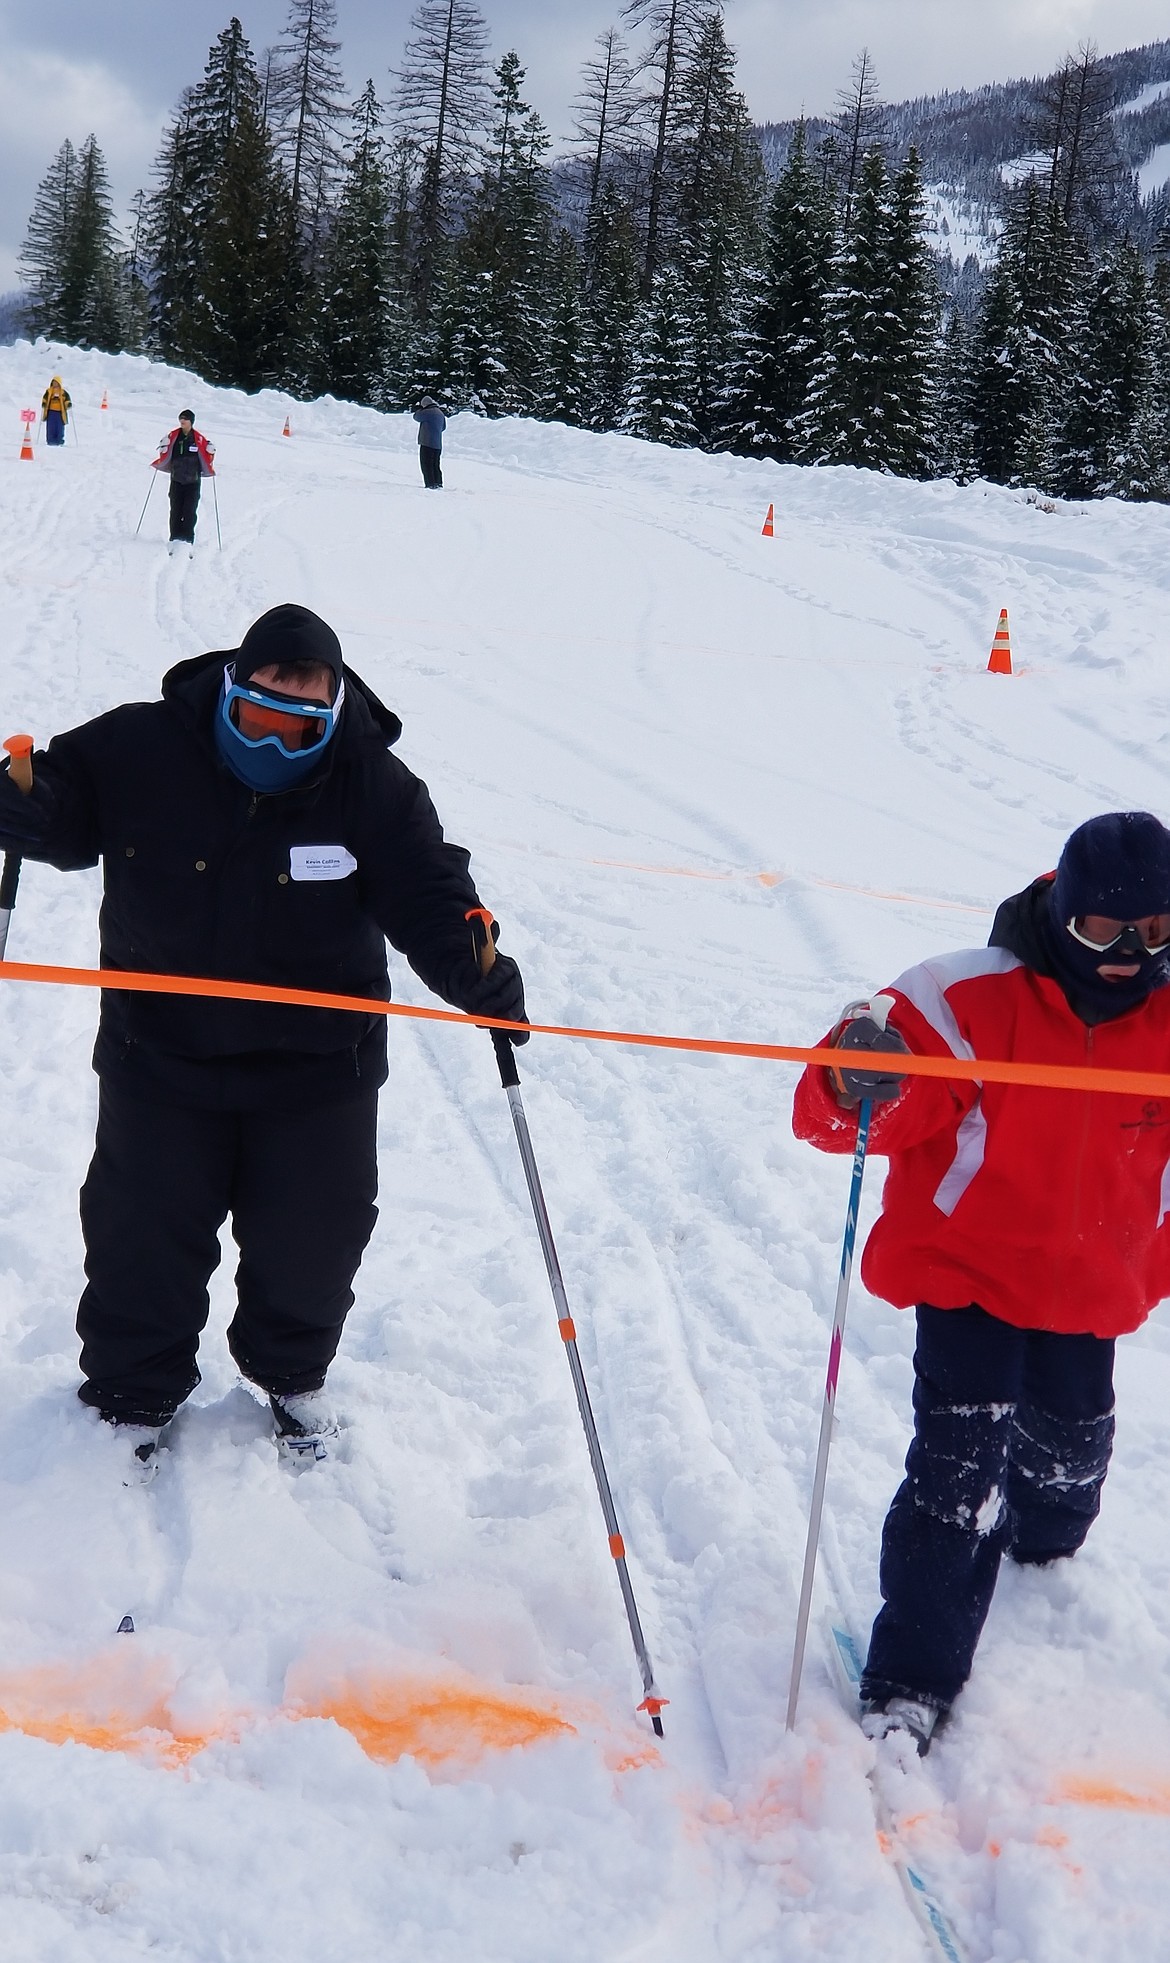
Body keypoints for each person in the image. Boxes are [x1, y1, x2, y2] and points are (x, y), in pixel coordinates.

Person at [0, 604, 527, 1478]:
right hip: (158, 1055)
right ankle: (131, 1395)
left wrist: (472, 972)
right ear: (232, 689)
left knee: (313, 1241)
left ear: (336, 704)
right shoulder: (142, 745)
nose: (281, 738)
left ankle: (290, 1376)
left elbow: (430, 892)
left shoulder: (374, 786)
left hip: (318, 1068)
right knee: (142, 1232)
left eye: (305, 716)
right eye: (263, 708)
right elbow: (64, 805)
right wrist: (26, 805)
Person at [792, 811, 1170, 1754]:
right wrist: (857, 1078)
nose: (1129, 955)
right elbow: (851, 1109)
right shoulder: (967, 996)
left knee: (1069, 1460)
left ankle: (1043, 1552)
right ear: (1062, 914)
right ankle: (911, 1678)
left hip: (1095, 1276)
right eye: (1104, 932)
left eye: (1158, 932)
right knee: (957, 1475)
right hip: (972, 1270)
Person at [153, 410, 216, 554]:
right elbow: (164, 452)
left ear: (191, 421)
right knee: (175, 510)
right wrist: (163, 447)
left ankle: (188, 538)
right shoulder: (174, 436)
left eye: (185, 419)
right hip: (177, 479)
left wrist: (211, 451)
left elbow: (208, 455)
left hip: (193, 481)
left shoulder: (198, 439)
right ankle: (174, 537)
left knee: (189, 511)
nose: (182, 421)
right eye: (181, 418)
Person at [413, 396, 446, 490]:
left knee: (426, 464)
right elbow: (443, 427)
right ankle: (438, 483)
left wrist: (419, 409)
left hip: (427, 442)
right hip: (438, 444)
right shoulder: (440, 413)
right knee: (435, 464)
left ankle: (430, 484)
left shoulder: (428, 412)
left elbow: (416, 417)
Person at [41, 375, 72, 446]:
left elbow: (66, 400)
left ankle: (59, 440)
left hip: (60, 413)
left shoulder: (63, 392)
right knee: (51, 427)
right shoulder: (49, 391)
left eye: (56, 382)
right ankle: (50, 440)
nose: (55, 384)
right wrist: (44, 403)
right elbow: (45, 398)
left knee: (59, 427)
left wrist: (68, 404)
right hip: (51, 412)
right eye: (54, 382)